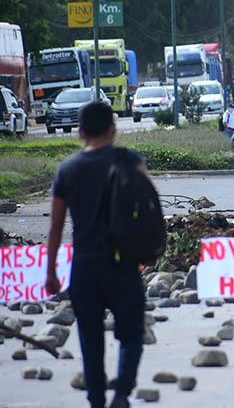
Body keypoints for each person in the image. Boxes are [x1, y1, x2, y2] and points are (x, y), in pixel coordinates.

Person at [45, 101, 147, 408]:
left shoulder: (68, 170)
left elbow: (55, 227)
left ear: (79, 133)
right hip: (123, 264)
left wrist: (51, 272)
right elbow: (149, 211)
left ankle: (97, 401)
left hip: (85, 266)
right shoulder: (131, 162)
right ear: (113, 130)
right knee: (131, 334)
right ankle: (122, 393)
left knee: (90, 340)